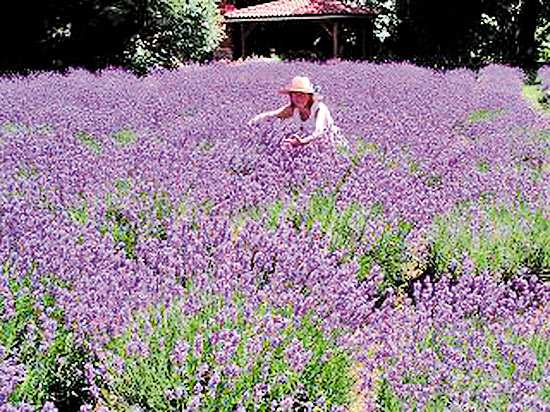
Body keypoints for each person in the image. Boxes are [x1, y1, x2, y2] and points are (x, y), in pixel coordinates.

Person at [247, 76, 348, 149]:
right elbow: (272, 115)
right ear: (291, 96)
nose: (299, 98)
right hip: (313, 148)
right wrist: (252, 122)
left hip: (334, 148)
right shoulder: (293, 109)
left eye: (302, 94)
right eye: (295, 94)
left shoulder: (320, 109)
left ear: (309, 96)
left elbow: (319, 132)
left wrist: (303, 142)